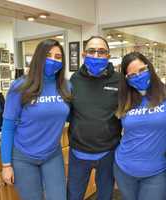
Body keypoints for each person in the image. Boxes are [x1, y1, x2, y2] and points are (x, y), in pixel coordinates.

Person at [0, 39, 71, 200]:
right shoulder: (20, 87)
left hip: (52, 154)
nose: (53, 60)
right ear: (39, 57)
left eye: (58, 56)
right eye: (48, 55)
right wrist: (6, 165)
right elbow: (8, 127)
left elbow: (73, 115)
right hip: (23, 156)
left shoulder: (66, 87)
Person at [68, 36, 122, 200]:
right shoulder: (75, 79)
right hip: (78, 153)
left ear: (108, 55)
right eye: (91, 51)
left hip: (108, 153)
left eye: (101, 52)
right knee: (73, 196)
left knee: (105, 196)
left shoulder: (119, 80)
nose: (96, 56)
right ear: (84, 54)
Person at [114, 52, 166, 200]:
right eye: (132, 75)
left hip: (156, 171)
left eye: (142, 70)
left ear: (149, 67)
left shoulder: (164, 94)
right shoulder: (125, 99)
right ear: (126, 79)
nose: (139, 76)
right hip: (124, 168)